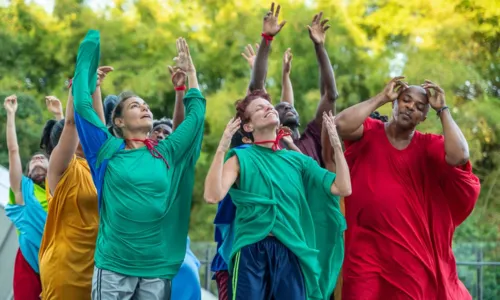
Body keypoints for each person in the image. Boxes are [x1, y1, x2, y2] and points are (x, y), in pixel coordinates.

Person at [72, 30, 205, 299]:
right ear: (118, 121)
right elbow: (83, 106)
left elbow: (196, 117)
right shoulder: (106, 149)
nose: (144, 107)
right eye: (135, 105)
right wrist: (90, 48)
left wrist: (191, 73)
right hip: (113, 265)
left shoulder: (166, 151)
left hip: (156, 268)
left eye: (146, 105)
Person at [335, 77, 481, 299]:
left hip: (409, 256)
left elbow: (460, 155)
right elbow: (339, 125)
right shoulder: (368, 131)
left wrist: (442, 110)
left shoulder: (428, 145)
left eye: (419, 107)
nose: (410, 107)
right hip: (365, 252)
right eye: (406, 100)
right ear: (395, 103)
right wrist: (382, 97)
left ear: (423, 117)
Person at [204, 86, 350, 300]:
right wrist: (221, 148)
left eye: (269, 106)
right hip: (250, 250)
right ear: (248, 125)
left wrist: (337, 146)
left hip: (290, 250)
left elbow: (343, 188)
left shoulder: (297, 160)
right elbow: (212, 195)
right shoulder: (239, 158)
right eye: (259, 108)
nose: (268, 109)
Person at [245, 7, 343, 298]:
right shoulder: (262, 144)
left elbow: (331, 94)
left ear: (299, 117)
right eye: (278, 106)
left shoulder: (313, 138)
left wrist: (320, 47)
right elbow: (256, 86)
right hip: (268, 238)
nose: (285, 106)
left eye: (290, 106)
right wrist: (266, 41)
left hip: (307, 232)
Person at [38, 67, 112, 299]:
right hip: (66, 268)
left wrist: (96, 87)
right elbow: (71, 124)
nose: (86, 133)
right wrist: (78, 85)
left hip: (98, 266)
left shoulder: (98, 168)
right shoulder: (61, 170)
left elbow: (99, 130)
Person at [4, 94, 63, 300]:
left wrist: (59, 115)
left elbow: (65, 150)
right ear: (27, 172)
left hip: (60, 261)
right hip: (29, 264)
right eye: (33, 161)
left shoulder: (62, 188)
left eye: (42, 158)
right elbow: (13, 151)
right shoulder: (22, 192)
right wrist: (10, 115)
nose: (38, 159)